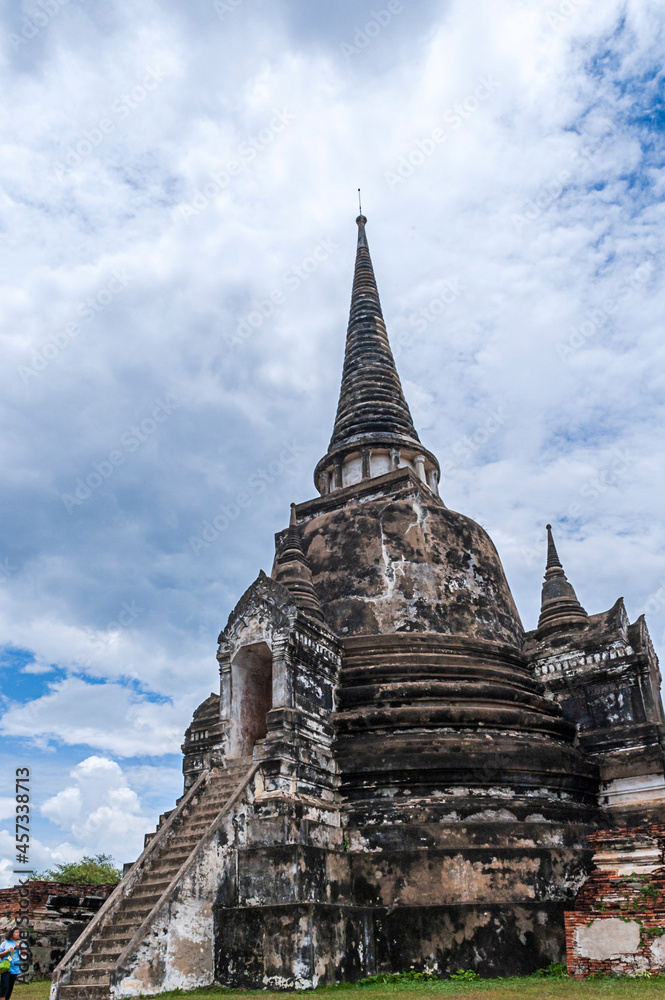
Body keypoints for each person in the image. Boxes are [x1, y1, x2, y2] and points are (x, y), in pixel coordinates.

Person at [0, 928, 22, 1000]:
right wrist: (7, 951)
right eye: (16, 932)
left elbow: (24, 956)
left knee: (10, 988)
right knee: (4, 986)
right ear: (11, 934)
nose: (18, 934)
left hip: (15, 968)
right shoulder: (5, 943)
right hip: (6, 967)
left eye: (19, 932)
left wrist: (22, 949)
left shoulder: (21, 943)